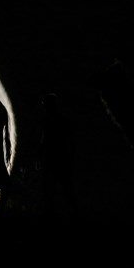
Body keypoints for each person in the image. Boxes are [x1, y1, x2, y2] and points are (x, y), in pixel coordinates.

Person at [38, 92, 78, 220]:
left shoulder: (49, 121)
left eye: (46, 105)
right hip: (60, 158)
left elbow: (43, 141)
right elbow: (71, 141)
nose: (45, 107)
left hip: (55, 158)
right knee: (61, 189)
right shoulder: (62, 121)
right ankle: (68, 214)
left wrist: (39, 157)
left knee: (54, 190)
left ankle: (54, 215)